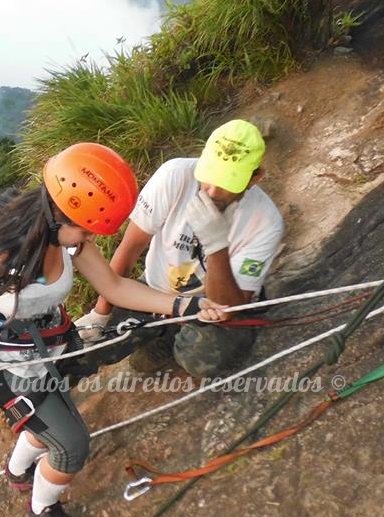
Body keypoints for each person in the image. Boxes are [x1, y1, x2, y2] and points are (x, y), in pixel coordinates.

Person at [0, 143, 226, 517]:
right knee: (71, 447)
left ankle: (16, 473)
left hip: (48, 345)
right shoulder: (1, 253)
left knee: (50, 416)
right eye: (85, 229)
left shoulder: (67, 235)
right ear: (63, 213)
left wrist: (184, 305)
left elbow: (114, 286)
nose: (87, 239)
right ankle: (41, 510)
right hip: (8, 367)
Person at [75, 119, 284, 377]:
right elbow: (131, 247)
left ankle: (177, 335)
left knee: (201, 360)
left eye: (227, 182)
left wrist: (216, 245)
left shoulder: (266, 222)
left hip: (213, 305)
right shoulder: (175, 175)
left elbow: (227, 309)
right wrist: (100, 314)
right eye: (210, 176)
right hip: (156, 290)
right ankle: (167, 329)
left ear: (255, 178)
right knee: (86, 351)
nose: (212, 191)